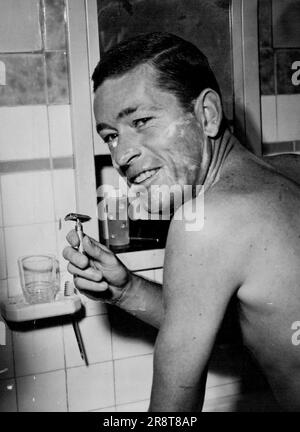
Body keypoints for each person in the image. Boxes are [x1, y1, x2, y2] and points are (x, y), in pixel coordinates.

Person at [63, 32, 300, 412]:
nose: (122, 155)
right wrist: (126, 290)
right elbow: (257, 326)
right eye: (110, 136)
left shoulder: (206, 219)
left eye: (141, 120)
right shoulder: (289, 169)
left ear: (206, 114)